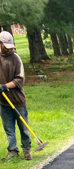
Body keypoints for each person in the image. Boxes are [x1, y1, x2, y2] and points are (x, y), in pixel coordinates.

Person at [0, 31, 32, 161]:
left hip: (18, 101)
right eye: (5, 46)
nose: (8, 49)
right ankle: (12, 150)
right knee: (9, 128)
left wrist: (5, 86)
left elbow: (20, 80)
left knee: (23, 127)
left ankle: (27, 150)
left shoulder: (16, 58)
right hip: (3, 102)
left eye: (9, 46)